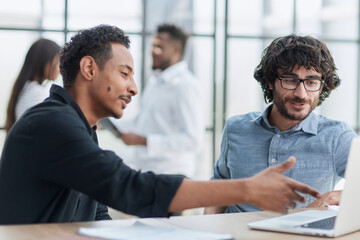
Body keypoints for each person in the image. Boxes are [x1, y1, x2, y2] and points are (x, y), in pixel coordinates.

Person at [0, 25, 321, 225]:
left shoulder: (80, 125)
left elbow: (96, 212)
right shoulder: (52, 123)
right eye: (124, 73)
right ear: (88, 69)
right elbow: (128, 188)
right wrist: (248, 188)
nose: (134, 88)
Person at [204, 34, 358, 215]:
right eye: (290, 80)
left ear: (322, 85)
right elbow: (220, 189)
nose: (301, 93)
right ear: (270, 81)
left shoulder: (336, 136)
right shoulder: (235, 128)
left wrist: (338, 195)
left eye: (311, 82)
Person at [111, 24, 204, 179]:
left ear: (176, 51)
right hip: (148, 172)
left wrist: (145, 141)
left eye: (159, 47)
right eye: (152, 46)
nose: (153, 51)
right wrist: (106, 123)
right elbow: (142, 121)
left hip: (171, 175)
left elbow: (193, 140)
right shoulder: (155, 82)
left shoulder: (186, 85)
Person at [5, 38, 61, 133]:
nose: (59, 69)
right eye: (57, 62)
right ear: (45, 62)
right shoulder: (37, 93)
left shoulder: (25, 88)